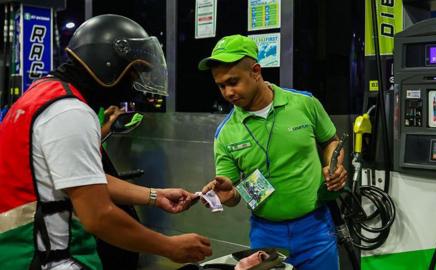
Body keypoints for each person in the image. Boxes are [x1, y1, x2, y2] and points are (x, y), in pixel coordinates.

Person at [0, 14, 212, 270]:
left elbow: (81, 179)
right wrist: (169, 247)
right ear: (108, 64)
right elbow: (98, 216)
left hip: (17, 250)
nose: (135, 83)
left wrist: (155, 196)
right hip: (49, 258)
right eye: (134, 71)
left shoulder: (41, 94)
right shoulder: (70, 112)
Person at [198, 34, 348, 270]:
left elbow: (331, 140)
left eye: (233, 82)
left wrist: (334, 165)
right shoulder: (226, 133)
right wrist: (228, 196)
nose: (228, 93)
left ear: (255, 71)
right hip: (266, 236)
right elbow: (233, 191)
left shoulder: (304, 104)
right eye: (221, 86)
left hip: (316, 228)